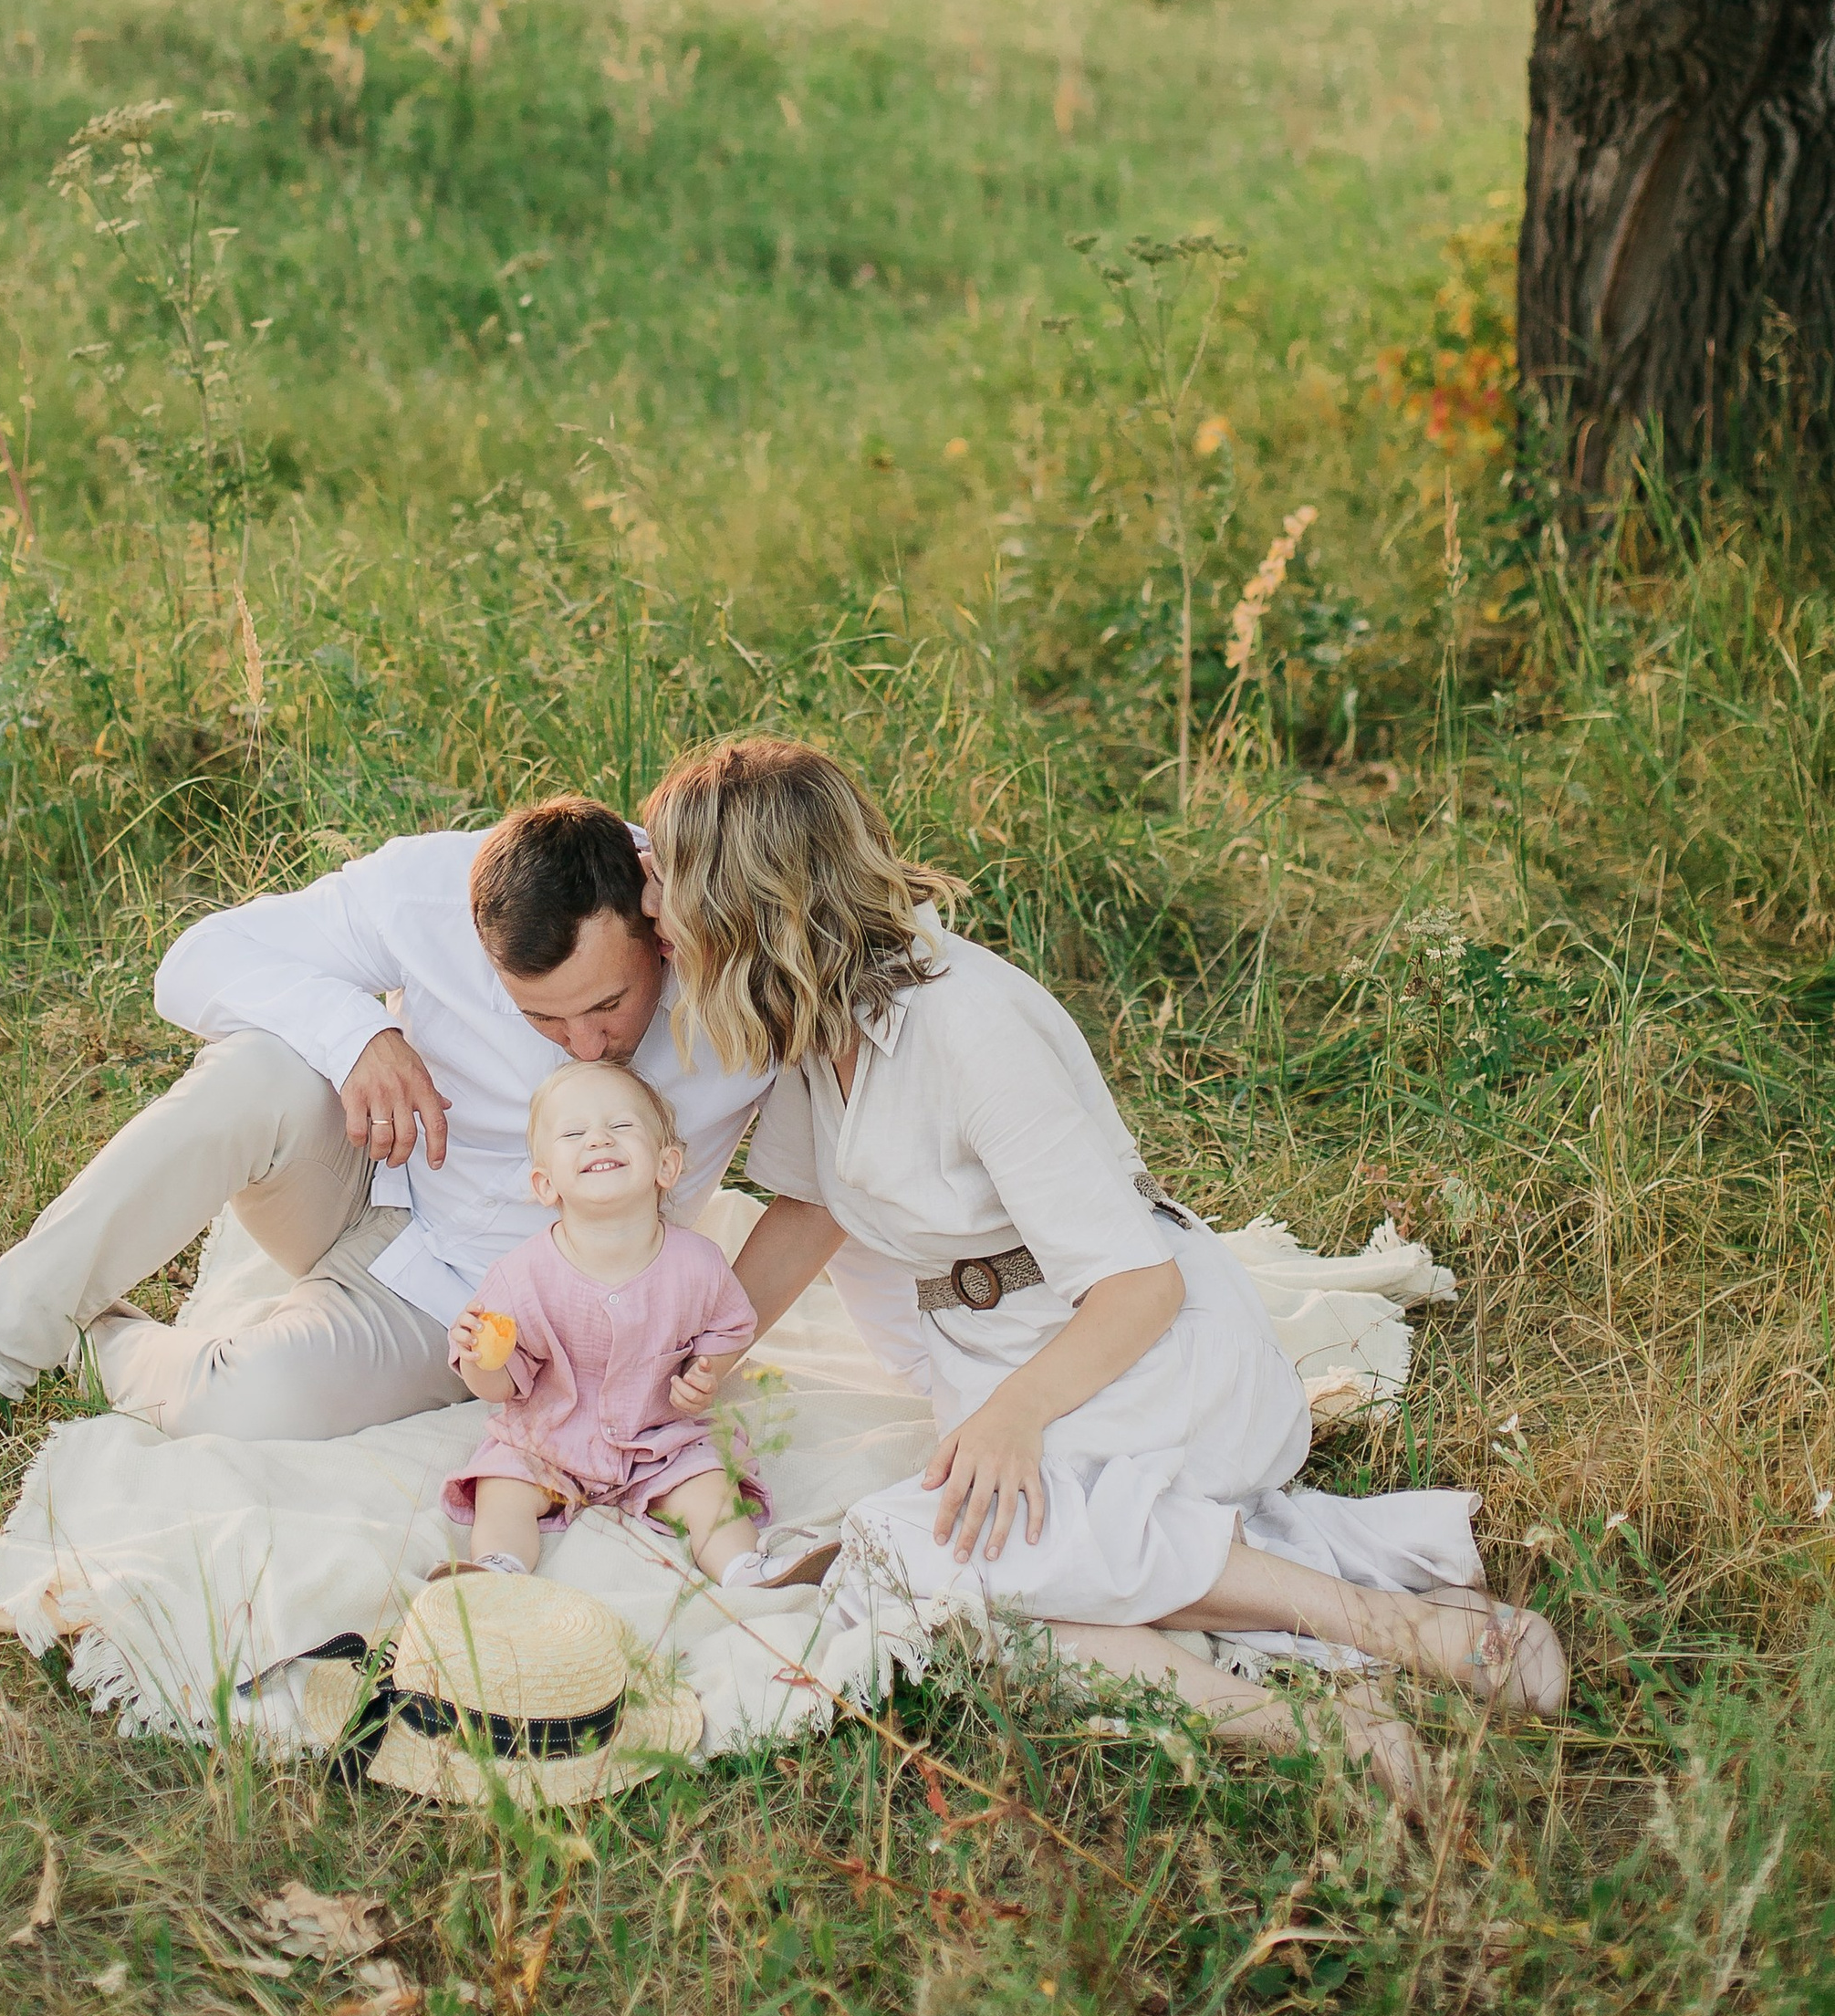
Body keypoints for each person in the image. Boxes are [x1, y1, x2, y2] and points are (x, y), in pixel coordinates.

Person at [640, 735, 1566, 1798]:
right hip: (1003, 1355)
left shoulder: (968, 1025)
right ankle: (1309, 1727)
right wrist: (698, 1357)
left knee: (913, 1553)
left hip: (1136, 1357)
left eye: (663, 874)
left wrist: (1011, 1419)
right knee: (953, 1584)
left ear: (741, 895)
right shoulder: (815, 1016)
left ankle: (1389, 1625)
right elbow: (808, 1210)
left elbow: (1139, 1284)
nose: (646, 894)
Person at [0, 796, 912, 1469]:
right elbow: (192, 961)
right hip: (365, 1175)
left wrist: (710, 1342)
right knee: (259, 1069)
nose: (583, 1045)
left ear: (660, 930)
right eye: (540, 1020)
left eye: (606, 1007)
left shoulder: (741, 961)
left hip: (476, 1303)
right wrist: (355, 1030)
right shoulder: (429, 888)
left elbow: (819, 1182)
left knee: (249, 1409)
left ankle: (86, 1339)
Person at [441, 1060, 769, 1583]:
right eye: (574, 1133)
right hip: (547, 1438)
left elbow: (730, 1327)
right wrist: (482, 1356)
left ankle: (745, 1568)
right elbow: (496, 1387)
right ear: (546, 1184)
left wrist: (705, 1372)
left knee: (711, 1485)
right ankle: (498, 1568)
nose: (598, 1140)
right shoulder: (520, 1276)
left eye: (621, 1127)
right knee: (502, 1484)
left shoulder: (698, 1264)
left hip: (660, 1437)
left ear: (667, 1165)